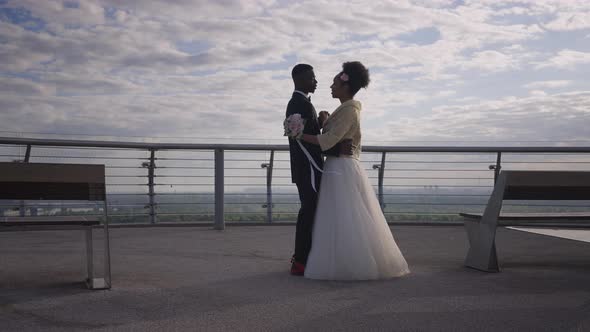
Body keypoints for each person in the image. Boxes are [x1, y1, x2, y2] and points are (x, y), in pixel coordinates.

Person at [299, 61, 410, 280]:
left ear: (345, 86)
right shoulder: (345, 110)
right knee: (341, 215)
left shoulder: (349, 110)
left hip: (340, 167)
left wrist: (298, 135)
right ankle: (342, 260)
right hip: (338, 165)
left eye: (333, 83)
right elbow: (338, 134)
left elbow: (327, 140)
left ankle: (350, 263)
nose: (330, 87)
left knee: (344, 215)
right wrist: (325, 120)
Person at [285, 63, 351, 276]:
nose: (316, 81)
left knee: (310, 211)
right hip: (308, 168)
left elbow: (308, 135)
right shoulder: (298, 103)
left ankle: (303, 257)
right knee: (309, 211)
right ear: (301, 80)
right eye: (312, 78)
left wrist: (322, 122)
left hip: (308, 168)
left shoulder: (303, 103)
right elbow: (302, 141)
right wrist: (331, 150)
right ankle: (300, 260)